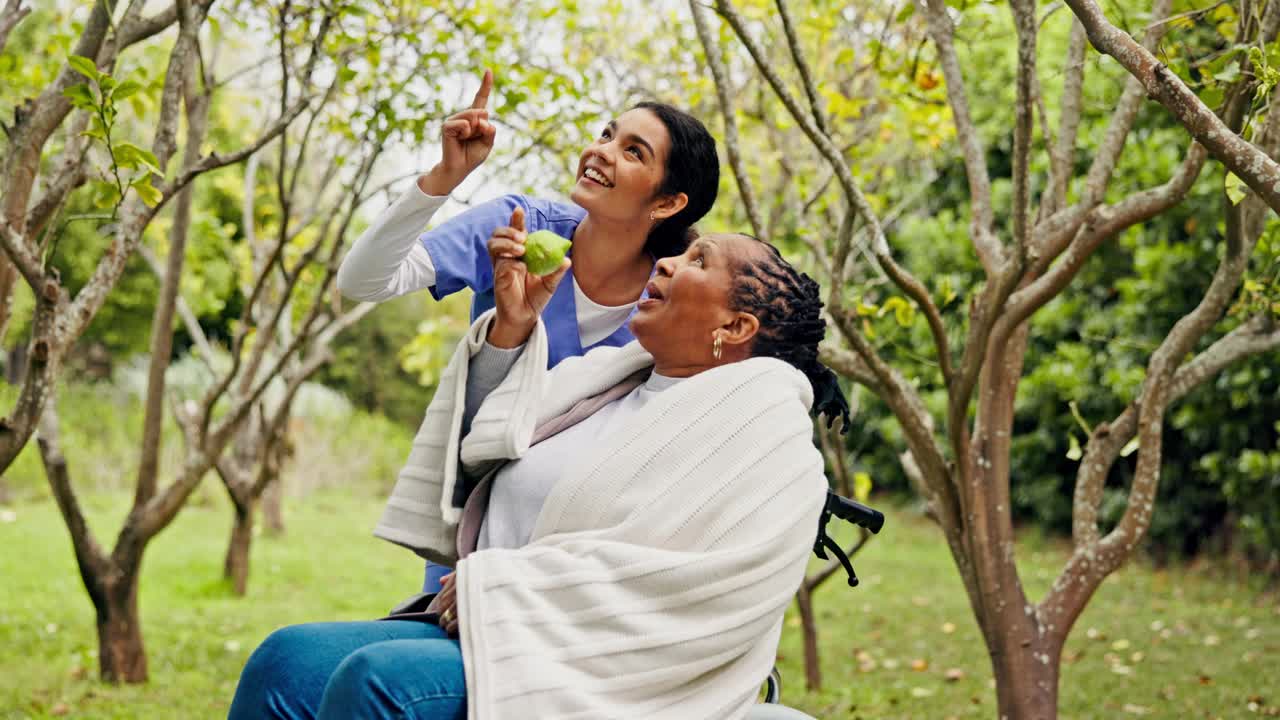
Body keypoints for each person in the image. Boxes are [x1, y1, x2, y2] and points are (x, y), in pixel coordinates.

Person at [230, 227, 851, 720]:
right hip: (497, 623)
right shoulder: (610, 385)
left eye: (698, 261)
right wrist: (514, 327)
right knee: (285, 663)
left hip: (596, 662)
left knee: (382, 687)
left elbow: (699, 582)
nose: (667, 264)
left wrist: (495, 585)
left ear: (736, 327)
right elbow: (483, 442)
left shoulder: (767, 436)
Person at [335, 69, 720, 593]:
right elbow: (363, 281)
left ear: (668, 202)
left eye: (634, 151)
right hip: (480, 516)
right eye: (607, 134)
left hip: (582, 546)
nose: (602, 151)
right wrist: (444, 179)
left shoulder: (672, 295)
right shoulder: (520, 226)